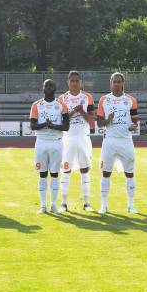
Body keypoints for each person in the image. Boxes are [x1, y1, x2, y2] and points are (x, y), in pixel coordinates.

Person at [97, 72, 139, 214]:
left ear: (123, 83)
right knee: (105, 173)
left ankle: (131, 205)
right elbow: (99, 123)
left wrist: (133, 126)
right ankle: (104, 205)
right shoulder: (104, 100)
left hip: (126, 141)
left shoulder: (131, 100)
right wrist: (108, 120)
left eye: (119, 81)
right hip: (109, 141)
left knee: (130, 174)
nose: (116, 84)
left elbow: (135, 121)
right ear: (111, 83)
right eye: (114, 81)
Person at [30, 79, 69, 214]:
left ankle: (53, 205)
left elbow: (66, 126)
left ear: (55, 88)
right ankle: (43, 206)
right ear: (43, 88)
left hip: (56, 142)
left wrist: (53, 126)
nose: (48, 87)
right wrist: (45, 125)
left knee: (54, 174)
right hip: (41, 142)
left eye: (51, 85)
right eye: (46, 85)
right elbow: (33, 126)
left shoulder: (61, 105)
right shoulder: (36, 105)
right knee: (42, 174)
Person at [58, 71, 95, 212]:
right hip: (67, 139)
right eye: (72, 80)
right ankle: (63, 203)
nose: (74, 83)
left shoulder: (87, 97)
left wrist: (82, 111)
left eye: (77, 80)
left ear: (81, 82)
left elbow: (91, 121)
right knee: (65, 170)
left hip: (83, 139)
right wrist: (74, 111)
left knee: (85, 170)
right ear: (67, 82)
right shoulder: (62, 98)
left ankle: (86, 203)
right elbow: (61, 120)